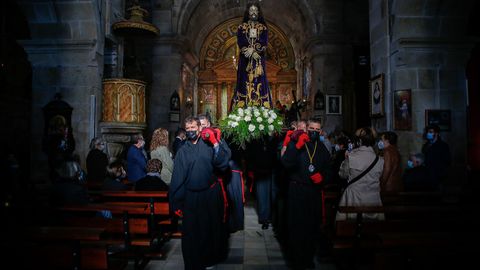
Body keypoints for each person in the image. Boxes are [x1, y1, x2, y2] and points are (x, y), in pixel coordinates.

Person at [169, 116, 232, 270]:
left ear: (199, 128)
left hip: (208, 195)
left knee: (208, 230)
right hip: (190, 197)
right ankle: (192, 264)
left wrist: (216, 143)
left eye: (193, 128)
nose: (190, 131)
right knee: (191, 233)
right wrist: (175, 201)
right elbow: (177, 177)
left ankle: (208, 260)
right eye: (188, 128)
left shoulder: (209, 145)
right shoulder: (183, 150)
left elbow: (223, 163)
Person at [281, 118, 332, 270]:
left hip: (314, 192)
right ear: (306, 128)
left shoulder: (322, 148)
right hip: (297, 191)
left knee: (312, 227)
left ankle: (308, 260)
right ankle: (297, 261)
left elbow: (330, 169)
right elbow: (286, 163)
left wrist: (323, 177)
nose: (314, 132)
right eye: (312, 129)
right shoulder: (296, 143)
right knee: (297, 228)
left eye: (317, 130)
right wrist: (296, 147)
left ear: (320, 131)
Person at [336, 127, 384, 221]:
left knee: (351, 226)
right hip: (373, 201)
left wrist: (345, 159)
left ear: (359, 141)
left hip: (353, 199)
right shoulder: (380, 160)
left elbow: (342, 174)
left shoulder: (351, 157)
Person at [231, 3, 272, 108]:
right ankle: (242, 105)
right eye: (251, 10)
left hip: (258, 59)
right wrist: (247, 49)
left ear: (258, 12)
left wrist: (254, 50)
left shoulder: (263, 28)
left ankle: (261, 105)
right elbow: (241, 41)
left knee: (260, 80)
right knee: (243, 80)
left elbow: (264, 42)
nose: (253, 12)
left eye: (255, 10)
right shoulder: (242, 27)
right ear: (248, 12)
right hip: (245, 59)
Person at [421, 124, 451, 189]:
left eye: (431, 132)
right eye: (428, 132)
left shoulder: (443, 146)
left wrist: (441, 176)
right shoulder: (426, 146)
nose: (428, 134)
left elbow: (447, 162)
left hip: (438, 177)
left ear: (436, 133)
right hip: (427, 177)